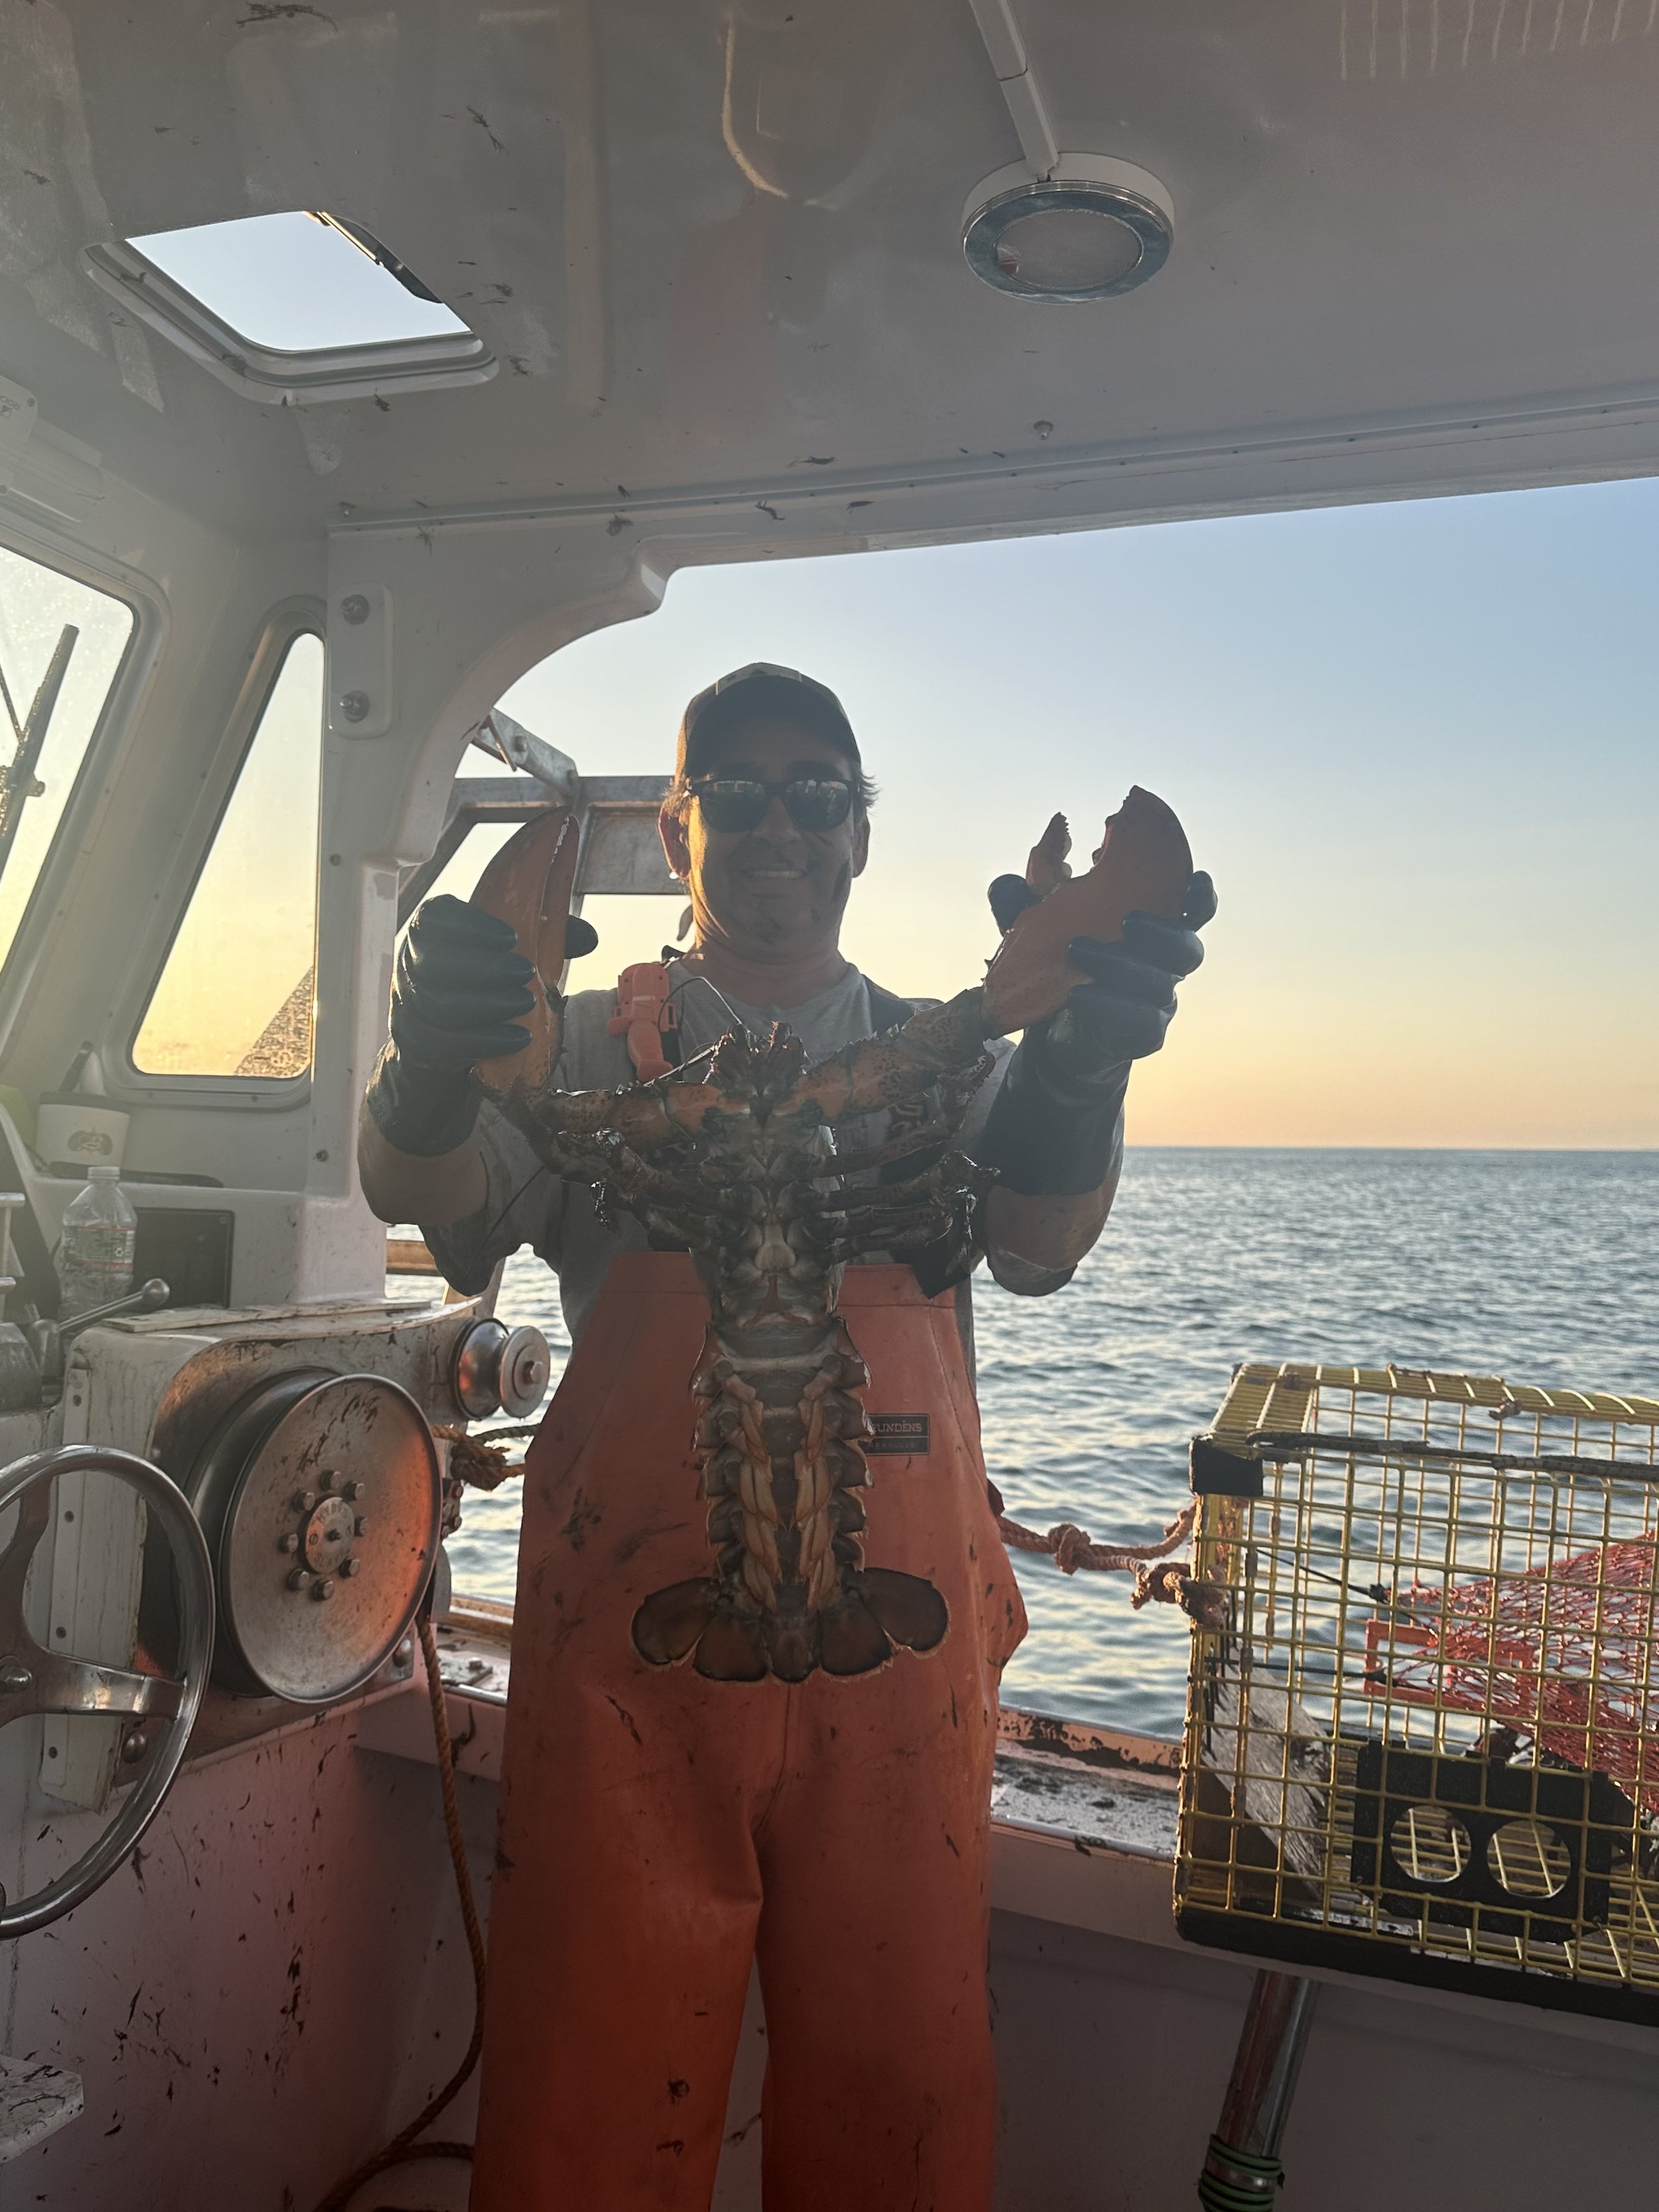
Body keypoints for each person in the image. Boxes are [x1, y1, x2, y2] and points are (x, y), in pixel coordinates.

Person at [358, 663, 1214, 2212]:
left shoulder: (946, 1053)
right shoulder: (567, 1049)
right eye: (733, 792)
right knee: (590, 2080)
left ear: (858, 833)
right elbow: (445, 1195)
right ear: (676, 823)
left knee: (901, 2074)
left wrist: (1084, 1063)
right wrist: (426, 1059)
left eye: (814, 792)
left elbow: (1031, 1237)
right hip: (637, 1646)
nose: (777, 822)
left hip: (896, 1652)